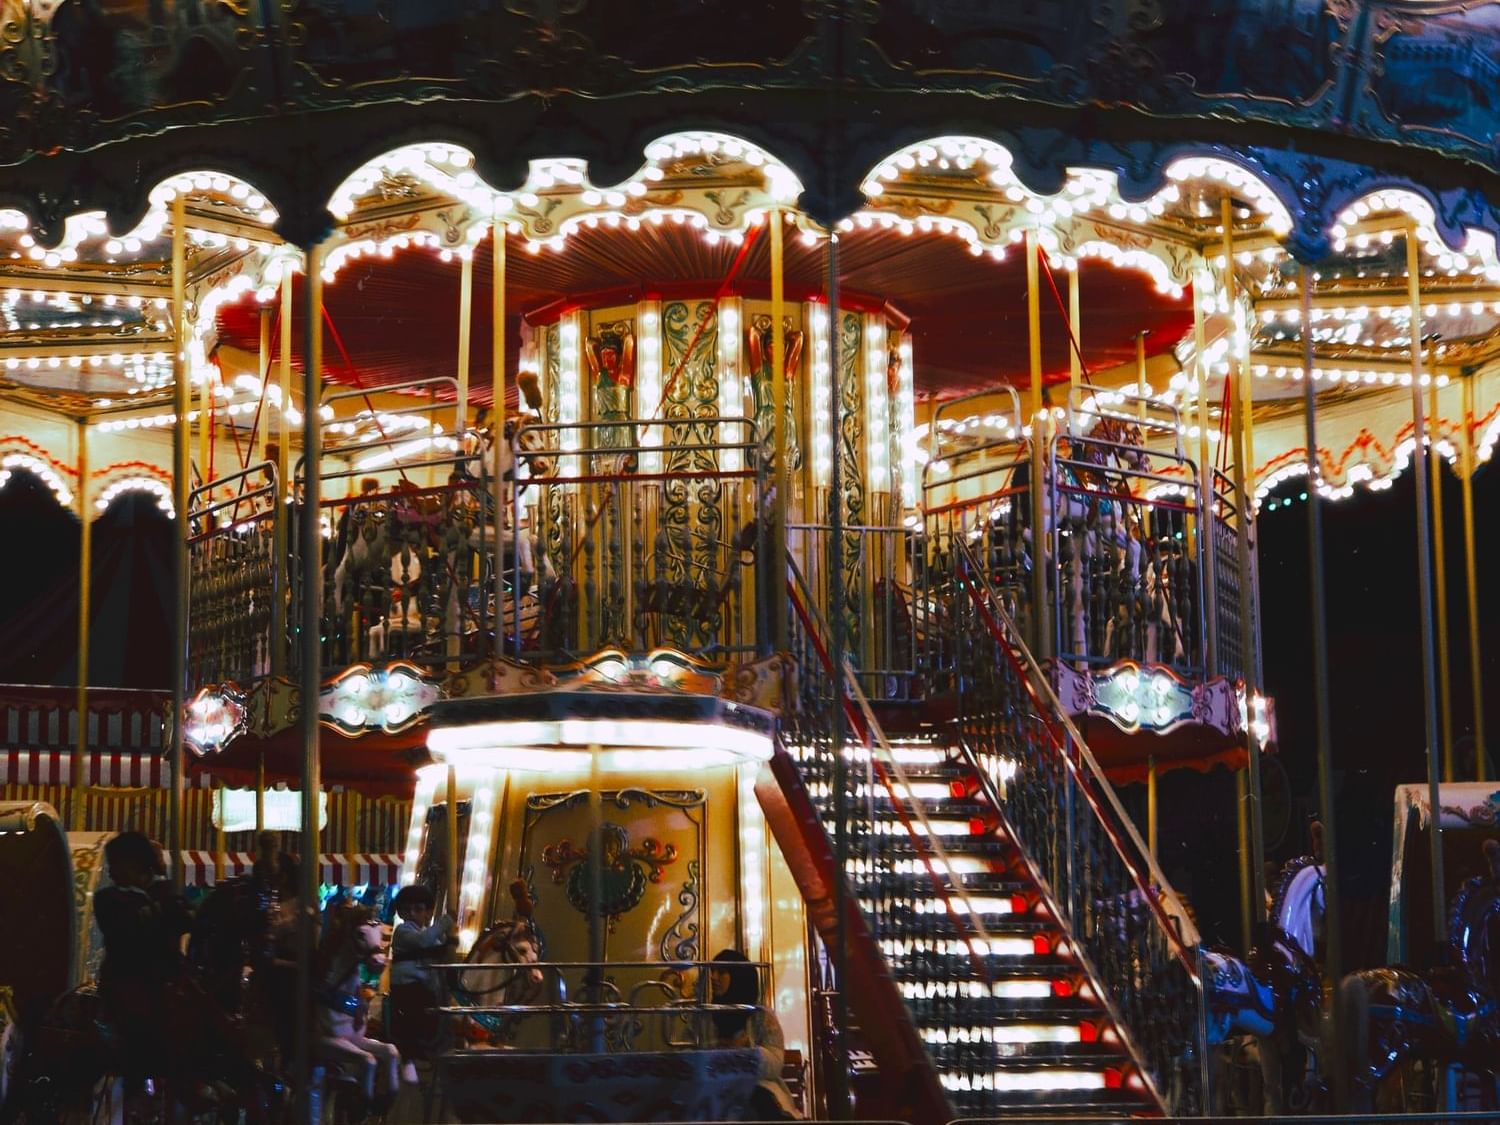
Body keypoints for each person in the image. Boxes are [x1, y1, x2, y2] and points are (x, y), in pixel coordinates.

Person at [709, 949, 801, 1120]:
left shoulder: (761, 1016)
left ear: (738, 977)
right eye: (712, 971)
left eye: (721, 972)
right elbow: (692, 1052)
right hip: (715, 1087)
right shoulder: (705, 1015)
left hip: (758, 1087)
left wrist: (747, 1052)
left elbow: (775, 1064)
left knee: (755, 1101)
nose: (713, 977)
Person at [388, 884, 456, 1067]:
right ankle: (409, 1053)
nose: (412, 913)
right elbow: (422, 942)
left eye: (418, 909)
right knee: (418, 1007)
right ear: (400, 914)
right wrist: (445, 922)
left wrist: (449, 944)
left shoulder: (429, 935)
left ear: (427, 913)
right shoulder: (403, 931)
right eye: (406, 910)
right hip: (407, 984)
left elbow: (437, 950)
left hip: (426, 983)